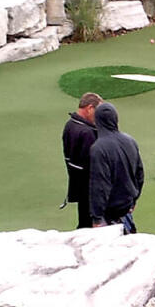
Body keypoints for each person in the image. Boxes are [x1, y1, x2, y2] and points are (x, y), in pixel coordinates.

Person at [88, 101, 145, 231]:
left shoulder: (98, 148)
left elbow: (100, 186)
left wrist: (97, 218)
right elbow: (139, 174)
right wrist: (134, 200)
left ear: (97, 120)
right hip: (127, 211)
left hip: (110, 215)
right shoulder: (130, 141)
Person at [61, 92, 100, 229]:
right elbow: (92, 164)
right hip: (89, 189)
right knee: (89, 225)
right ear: (89, 108)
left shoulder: (70, 125)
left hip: (78, 185)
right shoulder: (87, 133)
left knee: (84, 221)